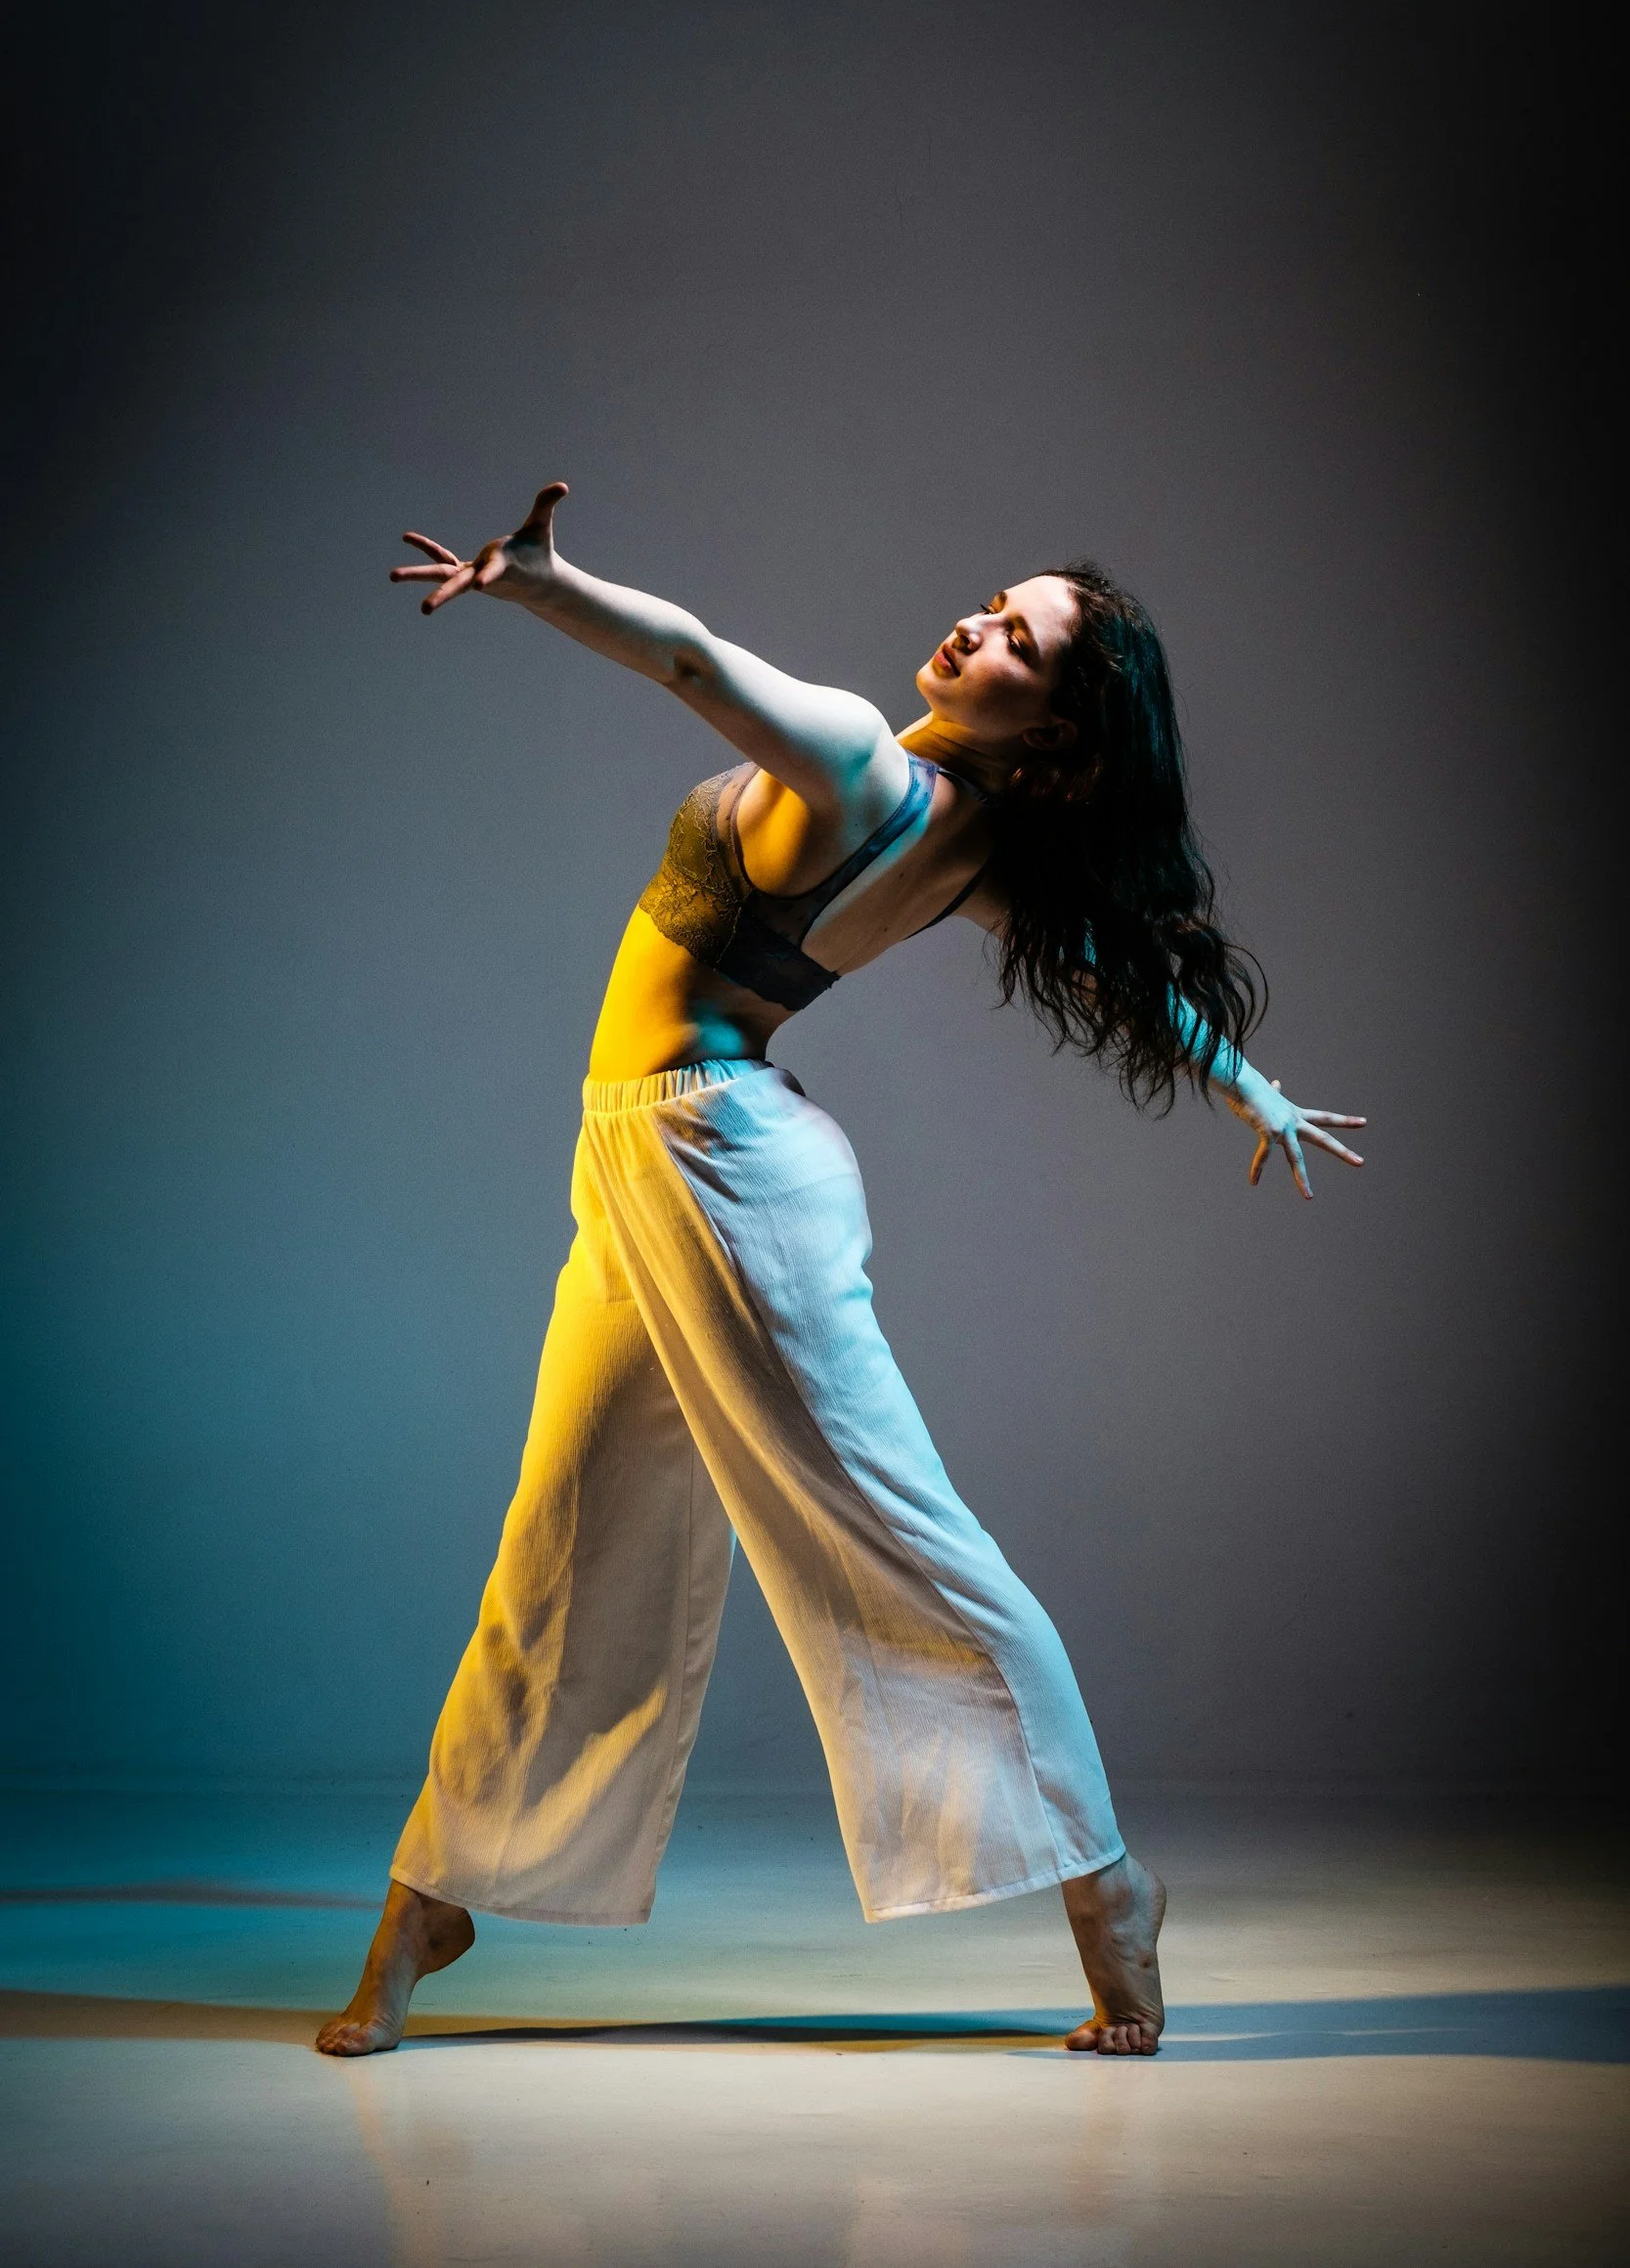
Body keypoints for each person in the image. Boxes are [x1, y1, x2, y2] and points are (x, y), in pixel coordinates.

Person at [316, 482, 1363, 2060]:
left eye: (1020, 639)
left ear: (1054, 730)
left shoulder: (864, 753)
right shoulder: (973, 842)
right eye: (994, 600)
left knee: (899, 1533)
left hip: (721, 1168)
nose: (978, 624)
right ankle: (444, 1890)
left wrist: (543, 586)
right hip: (643, 1157)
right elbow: (1124, 975)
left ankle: (1103, 1884)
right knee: (568, 1529)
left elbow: (692, 661)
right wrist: (1246, 1084)